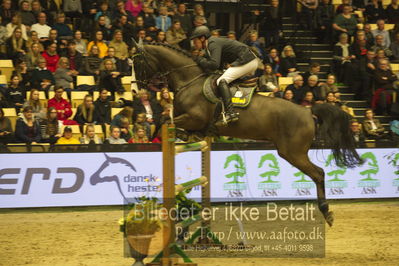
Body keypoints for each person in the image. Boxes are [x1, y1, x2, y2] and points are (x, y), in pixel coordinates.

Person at [191, 26, 258, 126]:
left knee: (221, 81)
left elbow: (214, 64)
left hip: (247, 61)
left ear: (202, 38)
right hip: (245, 61)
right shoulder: (209, 46)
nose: (194, 44)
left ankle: (231, 113)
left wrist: (199, 59)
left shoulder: (212, 43)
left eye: (195, 40)